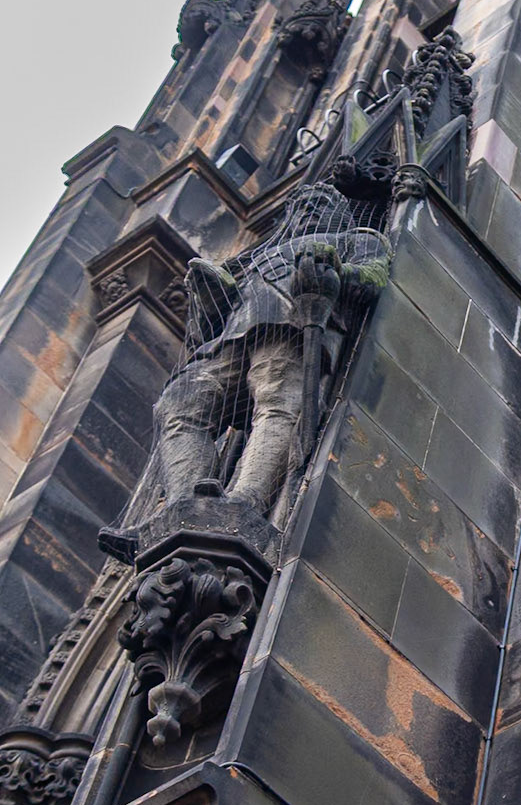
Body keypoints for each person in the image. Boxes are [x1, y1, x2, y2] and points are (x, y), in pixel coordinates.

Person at [101, 180, 389, 558]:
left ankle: (246, 500)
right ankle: (184, 506)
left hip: (292, 323)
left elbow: (374, 276)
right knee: (179, 403)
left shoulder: (356, 238)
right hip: (232, 337)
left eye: (320, 203)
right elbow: (218, 309)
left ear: (340, 213)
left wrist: (334, 271)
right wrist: (210, 288)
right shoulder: (259, 256)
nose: (309, 210)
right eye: (302, 205)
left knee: (276, 400)